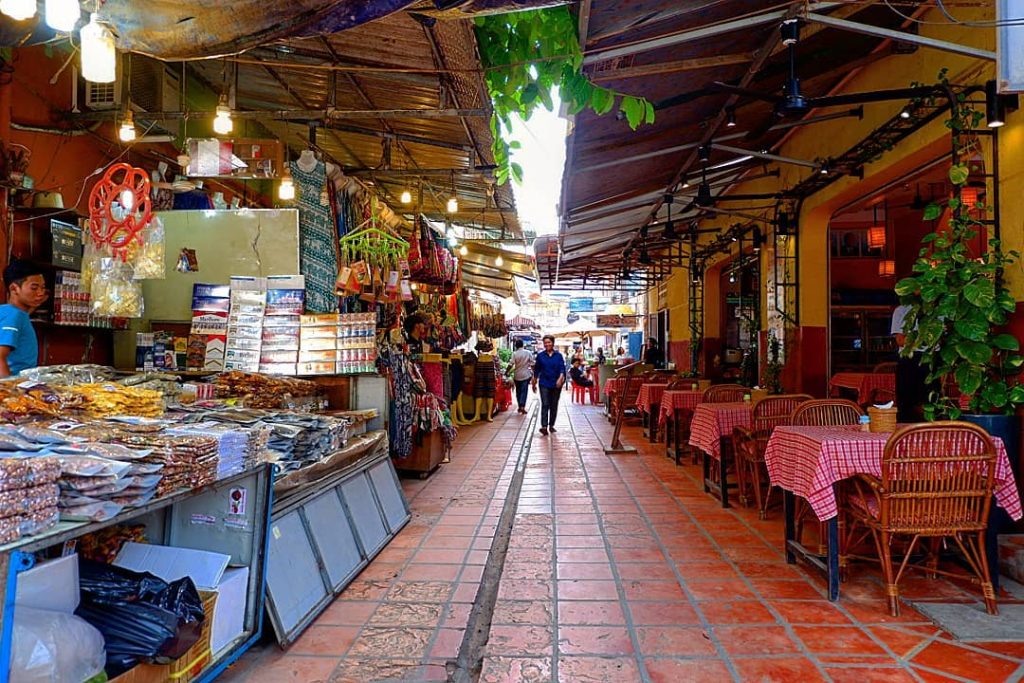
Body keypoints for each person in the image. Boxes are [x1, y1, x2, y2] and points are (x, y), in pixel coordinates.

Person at [0, 260, 48, 378]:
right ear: (14, 289)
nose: (40, 293)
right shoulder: (13, 316)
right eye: (34, 288)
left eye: (43, 288)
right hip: (15, 386)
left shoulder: (12, 312)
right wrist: (10, 391)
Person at [891, 303, 936, 423]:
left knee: (931, 401)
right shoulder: (902, 310)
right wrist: (924, 339)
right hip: (909, 358)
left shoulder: (938, 309)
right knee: (906, 403)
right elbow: (900, 340)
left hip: (932, 357)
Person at [532, 334, 566, 435]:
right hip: (544, 383)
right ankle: (543, 426)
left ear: (553, 343)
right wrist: (534, 382)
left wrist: (560, 379)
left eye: (549, 342)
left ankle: (551, 425)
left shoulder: (558, 356)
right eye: (545, 343)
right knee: (545, 404)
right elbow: (537, 370)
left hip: (556, 384)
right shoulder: (540, 356)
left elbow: (562, 369)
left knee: (553, 405)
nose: (547, 344)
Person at [510, 339, 534, 414]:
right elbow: (532, 364)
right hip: (526, 375)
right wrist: (534, 373)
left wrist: (507, 372)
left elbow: (511, 364)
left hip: (517, 375)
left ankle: (520, 406)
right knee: (524, 391)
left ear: (516, 346)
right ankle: (522, 406)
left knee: (518, 391)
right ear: (523, 345)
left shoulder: (514, 354)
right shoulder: (528, 353)